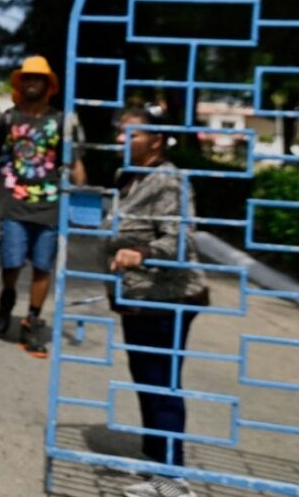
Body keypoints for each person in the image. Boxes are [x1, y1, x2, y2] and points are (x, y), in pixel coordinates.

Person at [106, 105, 208, 497]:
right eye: (121, 131)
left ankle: (173, 479)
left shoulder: (168, 181)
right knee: (147, 380)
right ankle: (157, 468)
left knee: (161, 383)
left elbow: (180, 240)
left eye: (131, 134)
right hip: (139, 296)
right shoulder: (132, 175)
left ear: (157, 141)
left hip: (165, 297)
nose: (120, 139)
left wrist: (141, 252)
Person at [0, 55, 85, 358]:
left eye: (39, 79)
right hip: (13, 204)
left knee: (42, 266)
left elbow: (75, 163)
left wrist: (82, 193)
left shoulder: (62, 122)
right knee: (12, 262)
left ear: (49, 86)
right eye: (28, 78)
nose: (33, 83)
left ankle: (32, 321)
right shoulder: (8, 119)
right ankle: (7, 297)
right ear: (21, 84)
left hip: (50, 206)